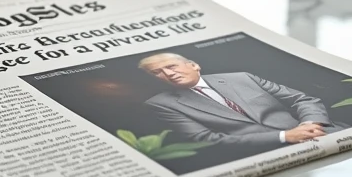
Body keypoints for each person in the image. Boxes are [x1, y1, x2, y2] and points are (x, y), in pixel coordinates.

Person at [138, 52, 336, 148]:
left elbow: (302, 99)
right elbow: (205, 140)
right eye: (157, 73)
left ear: (194, 65)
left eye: (172, 66)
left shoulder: (241, 77)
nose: (168, 73)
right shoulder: (161, 103)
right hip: (265, 153)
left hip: (323, 133)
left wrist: (311, 125)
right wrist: (285, 136)